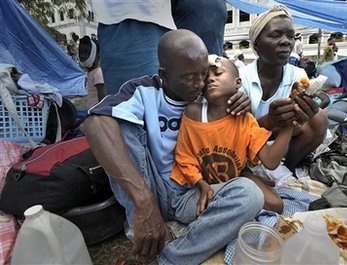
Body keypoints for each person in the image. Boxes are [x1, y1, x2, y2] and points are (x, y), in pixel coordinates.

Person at [81, 29, 262, 265]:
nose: (199, 84)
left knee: (250, 195)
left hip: (195, 194)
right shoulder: (144, 92)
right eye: (189, 77)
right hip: (152, 189)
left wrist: (241, 104)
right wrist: (145, 202)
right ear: (164, 74)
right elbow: (93, 125)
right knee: (114, 123)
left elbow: (250, 135)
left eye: (203, 74)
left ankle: (169, 258)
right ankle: (146, 222)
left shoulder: (210, 95)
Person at [171, 55, 290, 220]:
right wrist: (201, 183)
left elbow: (270, 161)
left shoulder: (245, 119)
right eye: (205, 77)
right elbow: (184, 156)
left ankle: (247, 178)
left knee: (277, 205)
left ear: (238, 83)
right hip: (201, 185)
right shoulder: (194, 113)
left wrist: (289, 126)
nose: (210, 79)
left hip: (235, 181)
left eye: (217, 73)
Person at [239, 4, 329, 174]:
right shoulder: (241, 78)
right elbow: (237, 134)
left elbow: (302, 119)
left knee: (320, 118)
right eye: (275, 35)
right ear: (257, 44)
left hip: (280, 140)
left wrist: (310, 107)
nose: (286, 41)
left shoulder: (297, 74)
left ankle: (289, 168)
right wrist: (270, 121)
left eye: (291, 36)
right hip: (247, 144)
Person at [91, 1, 228, 95]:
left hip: (205, 8)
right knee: (136, 111)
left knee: (211, 104)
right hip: (135, 10)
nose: (199, 84)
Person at [78, 35, 106, 109]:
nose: (83, 56)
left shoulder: (98, 74)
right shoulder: (91, 73)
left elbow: (102, 101)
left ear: (98, 55)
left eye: (87, 52)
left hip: (97, 112)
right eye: (81, 52)